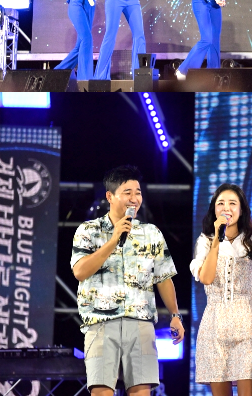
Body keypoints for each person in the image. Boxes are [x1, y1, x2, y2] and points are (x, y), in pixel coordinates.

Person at [70, 166, 185, 396]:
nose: (134, 198)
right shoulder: (88, 230)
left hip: (140, 323)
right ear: (110, 196)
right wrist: (113, 240)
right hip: (100, 322)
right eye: (127, 192)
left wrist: (175, 315)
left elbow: (163, 278)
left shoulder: (151, 233)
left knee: (141, 391)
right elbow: (80, 271)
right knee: (101, 391)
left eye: (138, 193)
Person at [191, 184, 252, 395]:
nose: (226, 208)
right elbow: (206, 278)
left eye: (232, 203)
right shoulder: (205, 242)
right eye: (221, 203)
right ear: (214, 210)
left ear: (241, 209)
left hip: (248, 327)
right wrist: (216, 240)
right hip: (214, 327)